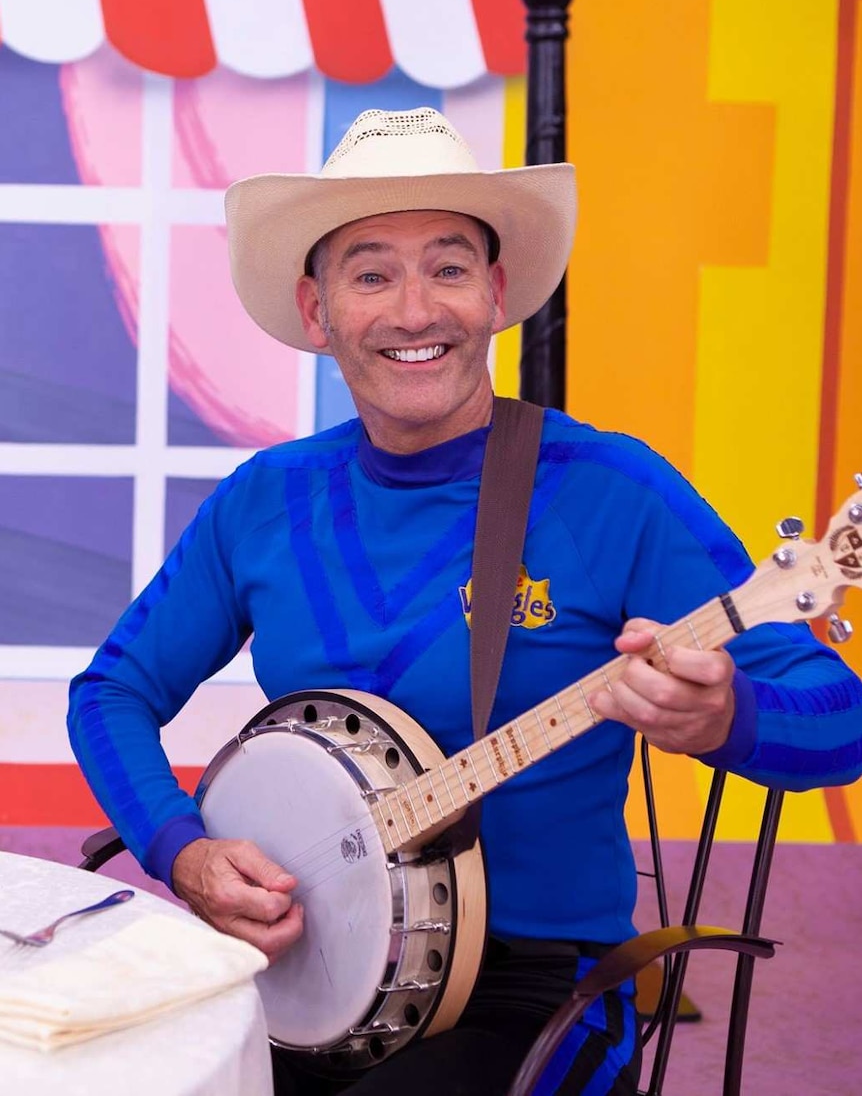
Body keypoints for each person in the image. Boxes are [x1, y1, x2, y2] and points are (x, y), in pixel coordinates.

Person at [68, 107, 862, 1095]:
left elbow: (842, 721)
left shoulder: (611, 490)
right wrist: (181, 851)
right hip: (294, 969)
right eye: (371, 274)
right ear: (317, 312)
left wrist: (724, 714)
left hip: (534, 989)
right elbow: (109, 694)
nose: (413, 311)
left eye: (447, 268)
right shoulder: (265, 500)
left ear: (494, 295)